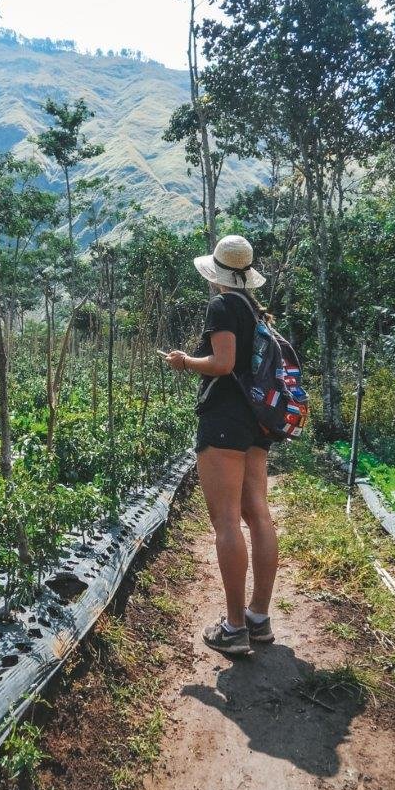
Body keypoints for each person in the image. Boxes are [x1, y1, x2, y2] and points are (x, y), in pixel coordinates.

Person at [165, 234, 278, 658]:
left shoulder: (222, 306)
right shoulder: (255, 309)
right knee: (258, 514)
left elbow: (223, 364)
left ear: (216, 274)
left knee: (227, 522)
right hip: (255, 425)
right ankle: (258, 618)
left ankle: (233, 628)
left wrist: (185, 361)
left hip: (225, 423)